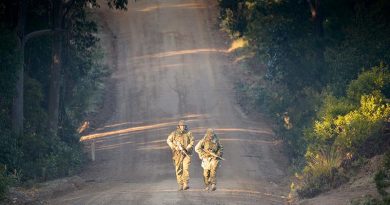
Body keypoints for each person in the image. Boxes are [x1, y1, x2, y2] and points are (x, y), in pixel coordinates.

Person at [166, 120, 194, 191]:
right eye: (181, 125)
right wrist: (175, 147)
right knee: (178, 169)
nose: (183, 127)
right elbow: (168, 140)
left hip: (186, 154)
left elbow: (192, 142)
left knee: (186, 168)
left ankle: (185, 183)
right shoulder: (174, 133)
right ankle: (180, 184)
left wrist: (187, 148)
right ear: (178, 126)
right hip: (177, 154)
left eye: (184, 125)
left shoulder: (189, 133)